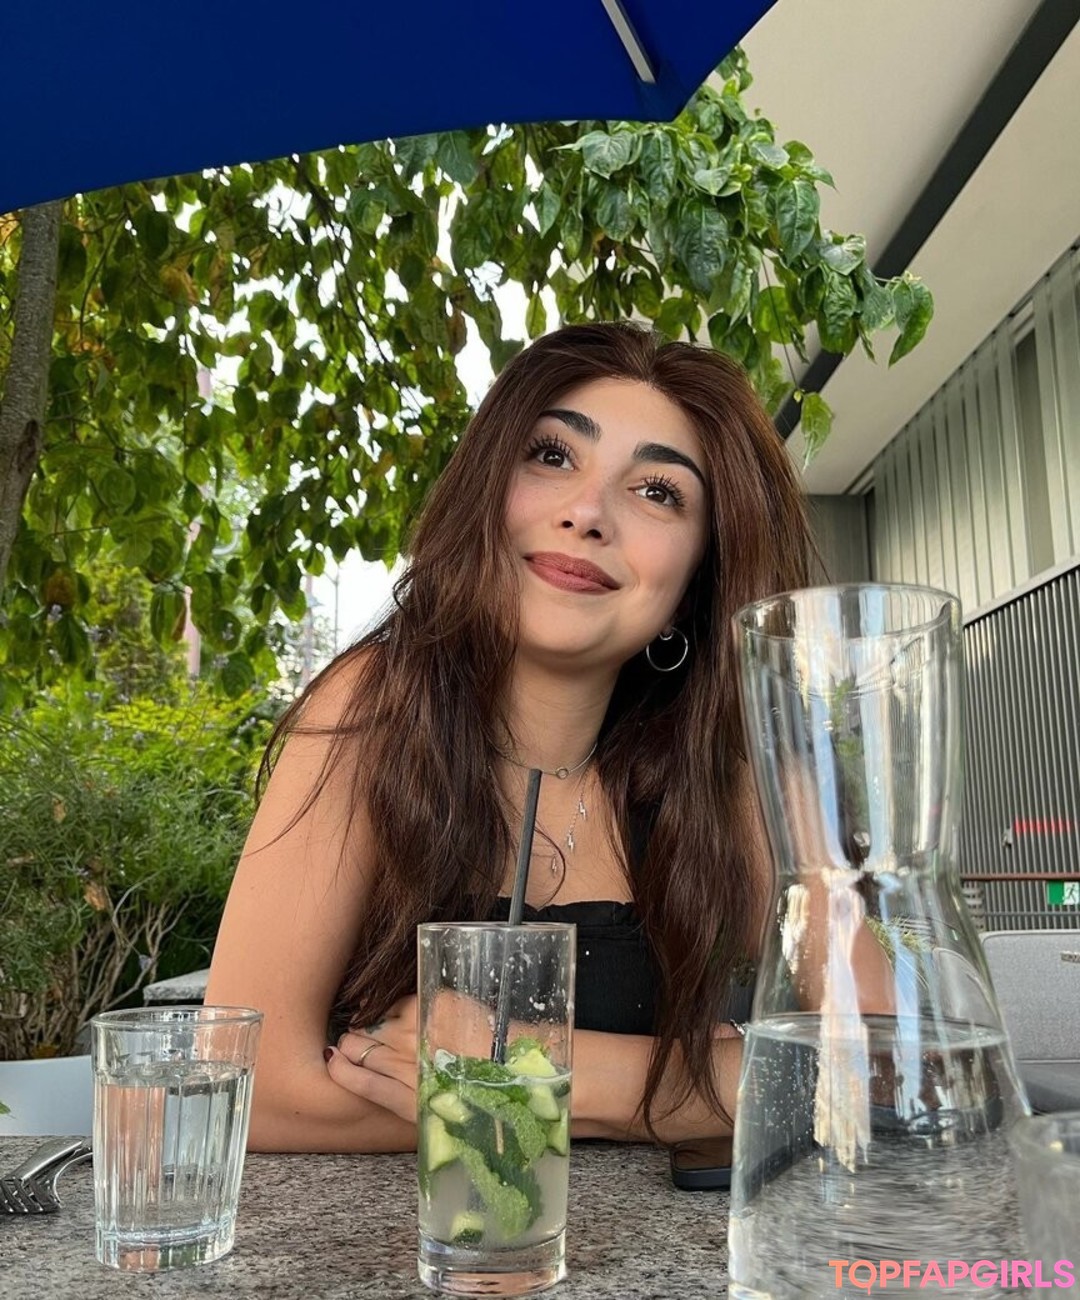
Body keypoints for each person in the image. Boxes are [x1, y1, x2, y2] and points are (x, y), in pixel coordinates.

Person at [206, 320, 814, 1153]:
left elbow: (889, 1061)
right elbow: (249, 1089)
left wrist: (545, 1072)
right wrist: (708, 1086)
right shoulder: (371, 709)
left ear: (697, 578)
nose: (587, 514)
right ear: (487, 490)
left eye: (658, 492)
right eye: (553, 455)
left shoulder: (722, 766)